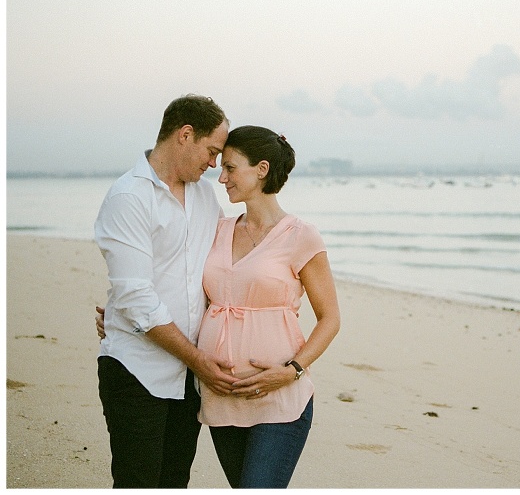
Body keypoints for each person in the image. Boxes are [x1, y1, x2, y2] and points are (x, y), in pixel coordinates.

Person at [93, 94, 241, 488]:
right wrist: (198, 360)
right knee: (138, 482)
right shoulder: (129, 197)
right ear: (185, 135)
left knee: (175, 481)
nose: (214, 165)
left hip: (189, 379)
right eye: (211, 152)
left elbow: (224, 267)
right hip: (136, 371)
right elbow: (137, 297)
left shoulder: (205, 197)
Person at [197, 125, 340, 488]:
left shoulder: (300, 235)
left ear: (261, 169)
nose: (221, 177)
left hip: (280, 398)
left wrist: (291, 370)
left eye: (230, 168)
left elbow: (330, 319)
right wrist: (124, 316)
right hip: (221, 395)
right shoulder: (217, 229)